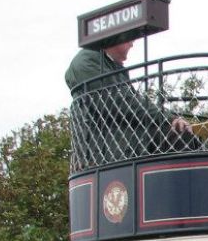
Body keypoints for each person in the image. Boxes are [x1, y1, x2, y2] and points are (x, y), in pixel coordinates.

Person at [65, 40, 195, 163]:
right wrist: (168, 118)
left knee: (188, 134)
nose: (132, 44)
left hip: (122, 140)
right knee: (178, 133)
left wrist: (171, 118)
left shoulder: (112, 66)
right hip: (105, 149)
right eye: (129, 39)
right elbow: (122, 102)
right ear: (114, 37)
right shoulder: (87, 60)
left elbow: (131, 101)